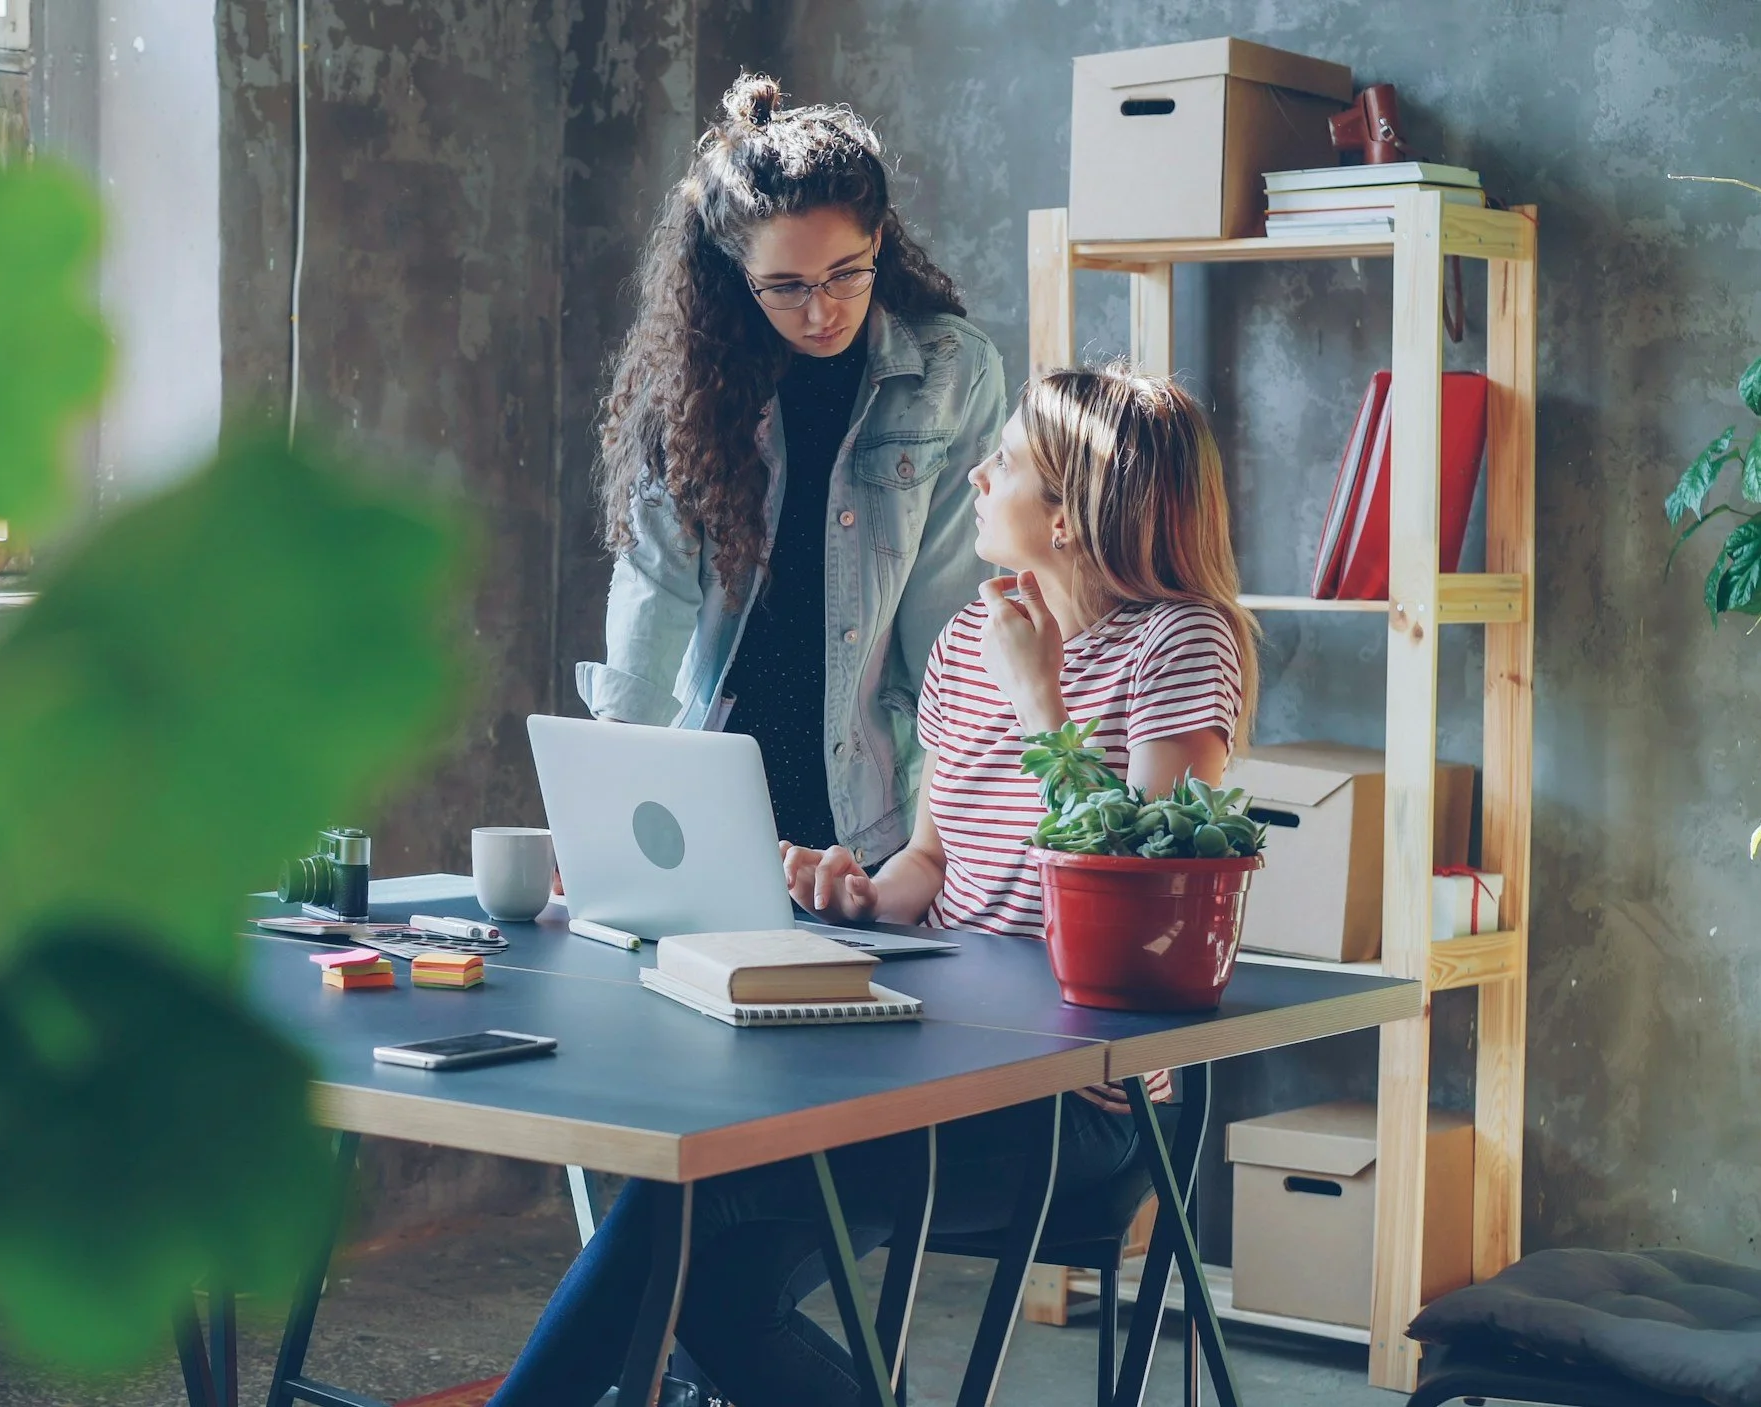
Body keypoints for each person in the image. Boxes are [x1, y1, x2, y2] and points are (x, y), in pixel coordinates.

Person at [494, 361, 1257, 1407]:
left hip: (1079, 1103)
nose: (979, 477)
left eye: (1006, 462)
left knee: (694, 1201)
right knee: (705, 1282)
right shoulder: (960, 646)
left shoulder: (1176, 643)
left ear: (1071, 516)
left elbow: (1137, 890)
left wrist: (1042, 704)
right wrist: (847, 891)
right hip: (928, 1061)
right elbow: (932, 869)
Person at [573, 72, 1004, 862]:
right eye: (786, 286)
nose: (821, 310)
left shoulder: (952, 372)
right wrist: (608, 807)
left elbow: (951, 624)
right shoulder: (694, 379)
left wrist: (939, 848)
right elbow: (655, 587)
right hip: (711, 784)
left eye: (846, 273)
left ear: (879, 239)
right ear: (737, 273)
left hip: (870, 801)